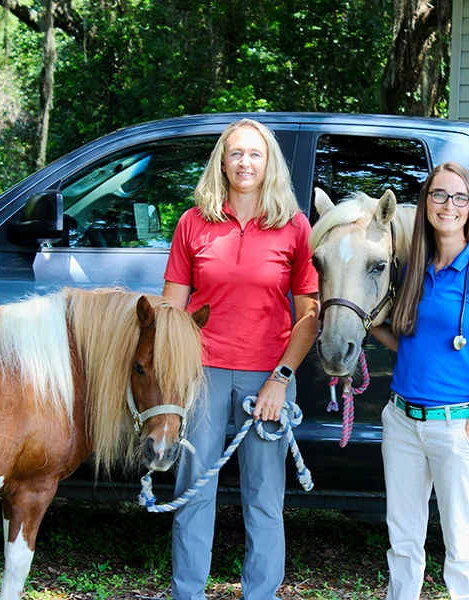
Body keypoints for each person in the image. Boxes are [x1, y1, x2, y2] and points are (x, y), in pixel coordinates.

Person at [162, 119, 320, 600]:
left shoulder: (294, 227)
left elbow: (310, 315)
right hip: (201, 375)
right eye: (235, 154)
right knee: (194, 493)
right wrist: (176, 378)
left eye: (254, 153)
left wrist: (280, 379)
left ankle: (261, 594)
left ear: (268, 161)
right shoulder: (193, 222)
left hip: (268, 379)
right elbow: (170, 311)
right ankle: (187, 592)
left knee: (264, 498)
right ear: (222, 161)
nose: (244, 162)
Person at [372, 161, 469, 600]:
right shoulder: (413, 269)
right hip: (402, 423)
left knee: (463, 546)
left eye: (458, 197)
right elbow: (408, 343)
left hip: (457, 426)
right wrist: (362, 319)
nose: (447, 205)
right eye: (438, 195)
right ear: (425, 204)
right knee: (404, 541)